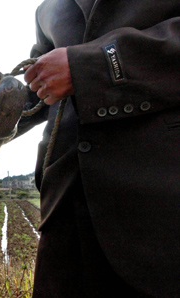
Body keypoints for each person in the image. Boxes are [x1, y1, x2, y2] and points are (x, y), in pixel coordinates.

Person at [14, 1, 180, 297]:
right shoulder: (48, 8)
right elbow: (37, 84)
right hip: (65, 210)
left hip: (163, 210)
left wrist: (89, 65)